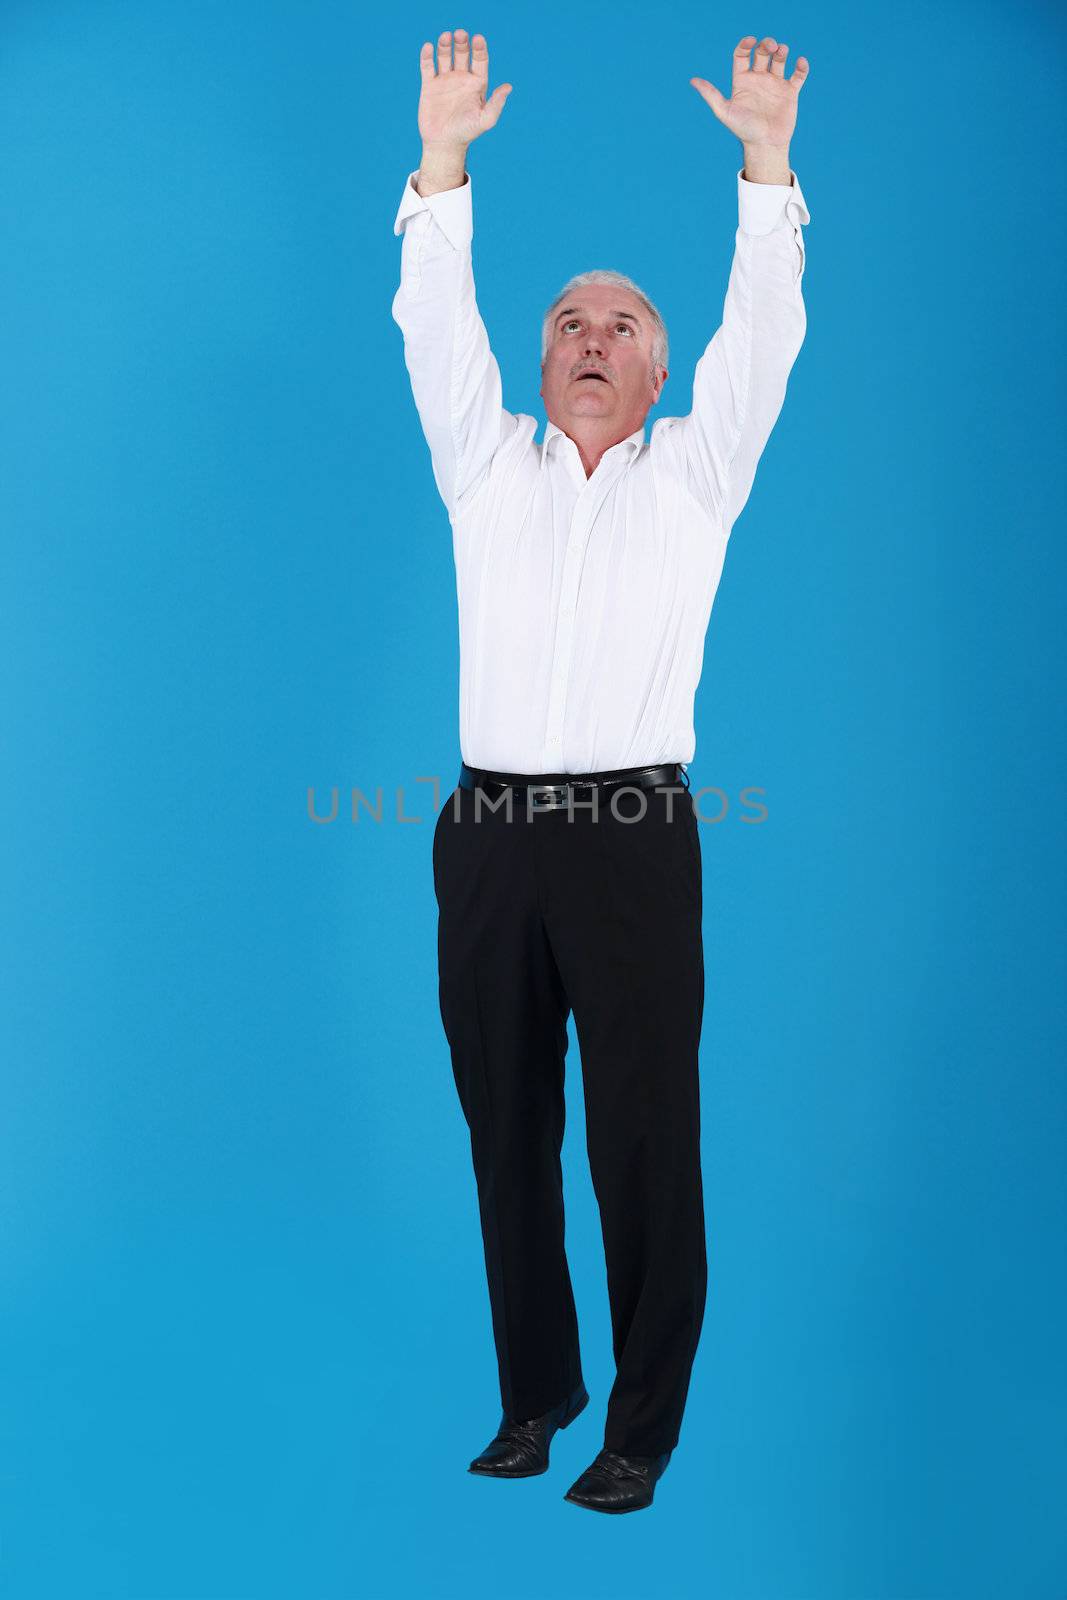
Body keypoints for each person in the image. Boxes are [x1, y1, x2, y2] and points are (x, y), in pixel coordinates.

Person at [391, 28, 811, 1515]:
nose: (588, 333)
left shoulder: (698, 474)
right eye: (566, 316)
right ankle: (536, 1397)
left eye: (621, 322)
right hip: (489, 834)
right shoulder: (482, 463)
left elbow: (766, 337)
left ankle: (640, 1426)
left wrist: (766, 168)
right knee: (506, 1128)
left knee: (641, 1133)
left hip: (634, 836)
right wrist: (443, 166)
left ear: (660, 365)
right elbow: (433, 326)